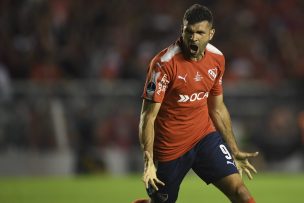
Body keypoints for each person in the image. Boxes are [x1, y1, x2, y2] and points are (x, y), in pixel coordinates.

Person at [133, 4, 258, 203]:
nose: (193, 38)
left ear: (211, 34)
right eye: (188, 31)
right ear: (182, 30)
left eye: (200, 32)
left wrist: (234, 149)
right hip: (169, 148)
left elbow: (217, 108)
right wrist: (148, 162)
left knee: (239, 192)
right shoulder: (163, 65)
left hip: (204, 138)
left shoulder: (217, 59)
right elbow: (148, 117)